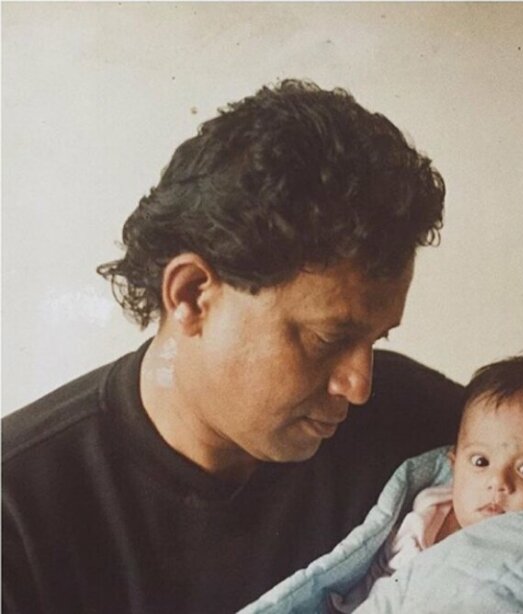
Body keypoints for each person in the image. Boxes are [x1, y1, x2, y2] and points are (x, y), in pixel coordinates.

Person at [2, 79, 464, 613]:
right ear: (192, 295)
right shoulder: (16, 516)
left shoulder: (433, 428)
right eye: (327, 339)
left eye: (375, 339)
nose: (359, 386)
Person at [328, 355, 523, 612]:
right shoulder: (426, 518)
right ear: (454, 465)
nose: (497, 482)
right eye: (481, 462)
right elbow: (380, 585)